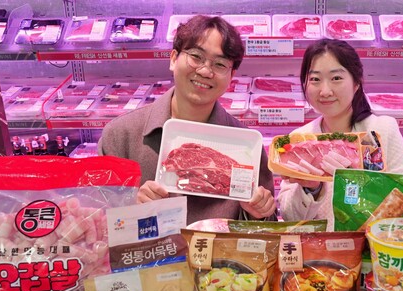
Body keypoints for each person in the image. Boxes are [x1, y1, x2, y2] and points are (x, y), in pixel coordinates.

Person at [98, 15, 276, 224]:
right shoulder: (121, 136)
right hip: (146, 246)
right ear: (174, 59)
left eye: (220, 64)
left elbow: (266, 228)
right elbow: (96, 221)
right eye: (196, 57)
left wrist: (257, 213)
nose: (205, 71)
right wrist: (128, 207)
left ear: (231, 76)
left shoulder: (246, 145)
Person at [277, 39, 403, 229]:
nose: (325, 91)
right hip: (320, 247)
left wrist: (356, 183)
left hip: (372, 244)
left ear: (356, 83)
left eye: (336, 78)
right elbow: (289, 216)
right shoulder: (301, 139)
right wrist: (311, 189)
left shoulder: (380, 131)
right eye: (315, 79)